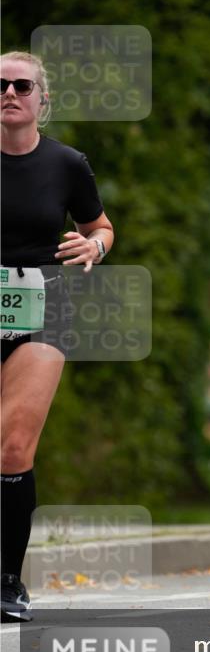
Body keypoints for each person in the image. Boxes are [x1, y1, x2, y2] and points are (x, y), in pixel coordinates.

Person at [1, 51, 114, 622]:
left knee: (15, 445)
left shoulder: (67, 163)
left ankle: (7, 580)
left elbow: (99, 225)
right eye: (1, 85)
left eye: (23, 85)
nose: (10, 93)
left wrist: (94, 246)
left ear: (42, 100)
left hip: (42, 306)